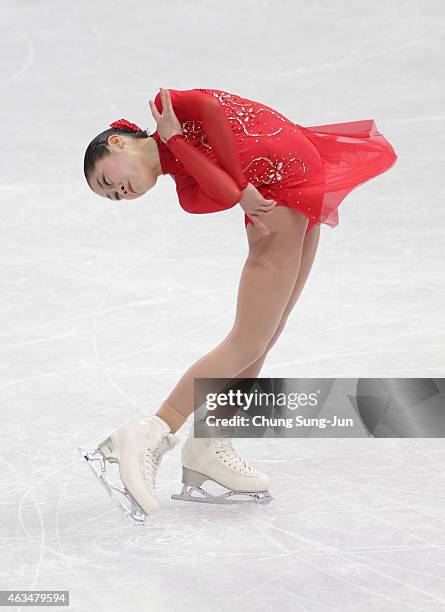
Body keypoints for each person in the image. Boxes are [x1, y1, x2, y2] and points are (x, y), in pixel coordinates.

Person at [80, 87, 398, 523]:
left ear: (115, 142)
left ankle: (210, 443)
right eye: (114, 196)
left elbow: (210, 110)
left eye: (107, 180)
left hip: (303, 192)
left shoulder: (167, 105)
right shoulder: (188, 188)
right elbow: (228, 193)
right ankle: (149, 431)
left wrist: (178, 138)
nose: (119, 191)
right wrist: (178, 144)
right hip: (280, 207)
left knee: (266, 336)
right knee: (248, 341)